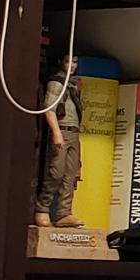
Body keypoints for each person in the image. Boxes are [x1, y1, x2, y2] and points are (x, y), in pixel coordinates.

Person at [35, 56, 81, 228]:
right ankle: (43, 207)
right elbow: (49, 109)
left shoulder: (73, 84)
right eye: (69, 62)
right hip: (61, 130)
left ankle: (64, 213)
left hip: (74, 132)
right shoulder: (57, 83)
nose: (72, 66)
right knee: (56, 172)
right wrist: (55, 132)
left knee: (70, 175)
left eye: (75, 62)